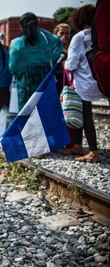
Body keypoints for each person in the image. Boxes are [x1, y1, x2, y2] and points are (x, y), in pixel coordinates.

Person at [64, 4, 103, 163]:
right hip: (99, 80)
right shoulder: (100, 35)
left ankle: (93, 152)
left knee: (85, 116)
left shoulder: (79, 37)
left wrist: (64, 64)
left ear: (79, 19)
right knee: (81, 113)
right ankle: (78, 145)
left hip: (84, 83)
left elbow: (71, 63)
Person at [9, 12, 63, 111]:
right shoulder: (44, 35)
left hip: (26, 81)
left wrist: (20, 73)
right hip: (45, 77)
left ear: (21, 25)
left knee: (27, 110)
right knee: (46, 108)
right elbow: (58, 43)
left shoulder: (17, 43)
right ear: (36, 23)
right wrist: (51, 58)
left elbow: (13, 66)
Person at [53, 23, 71, 93]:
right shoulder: (52, 48)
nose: (65, 36)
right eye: (62, 33)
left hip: (69, 82)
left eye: (67, 33)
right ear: (56, 33)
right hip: (57, 82)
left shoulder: (72, 47)